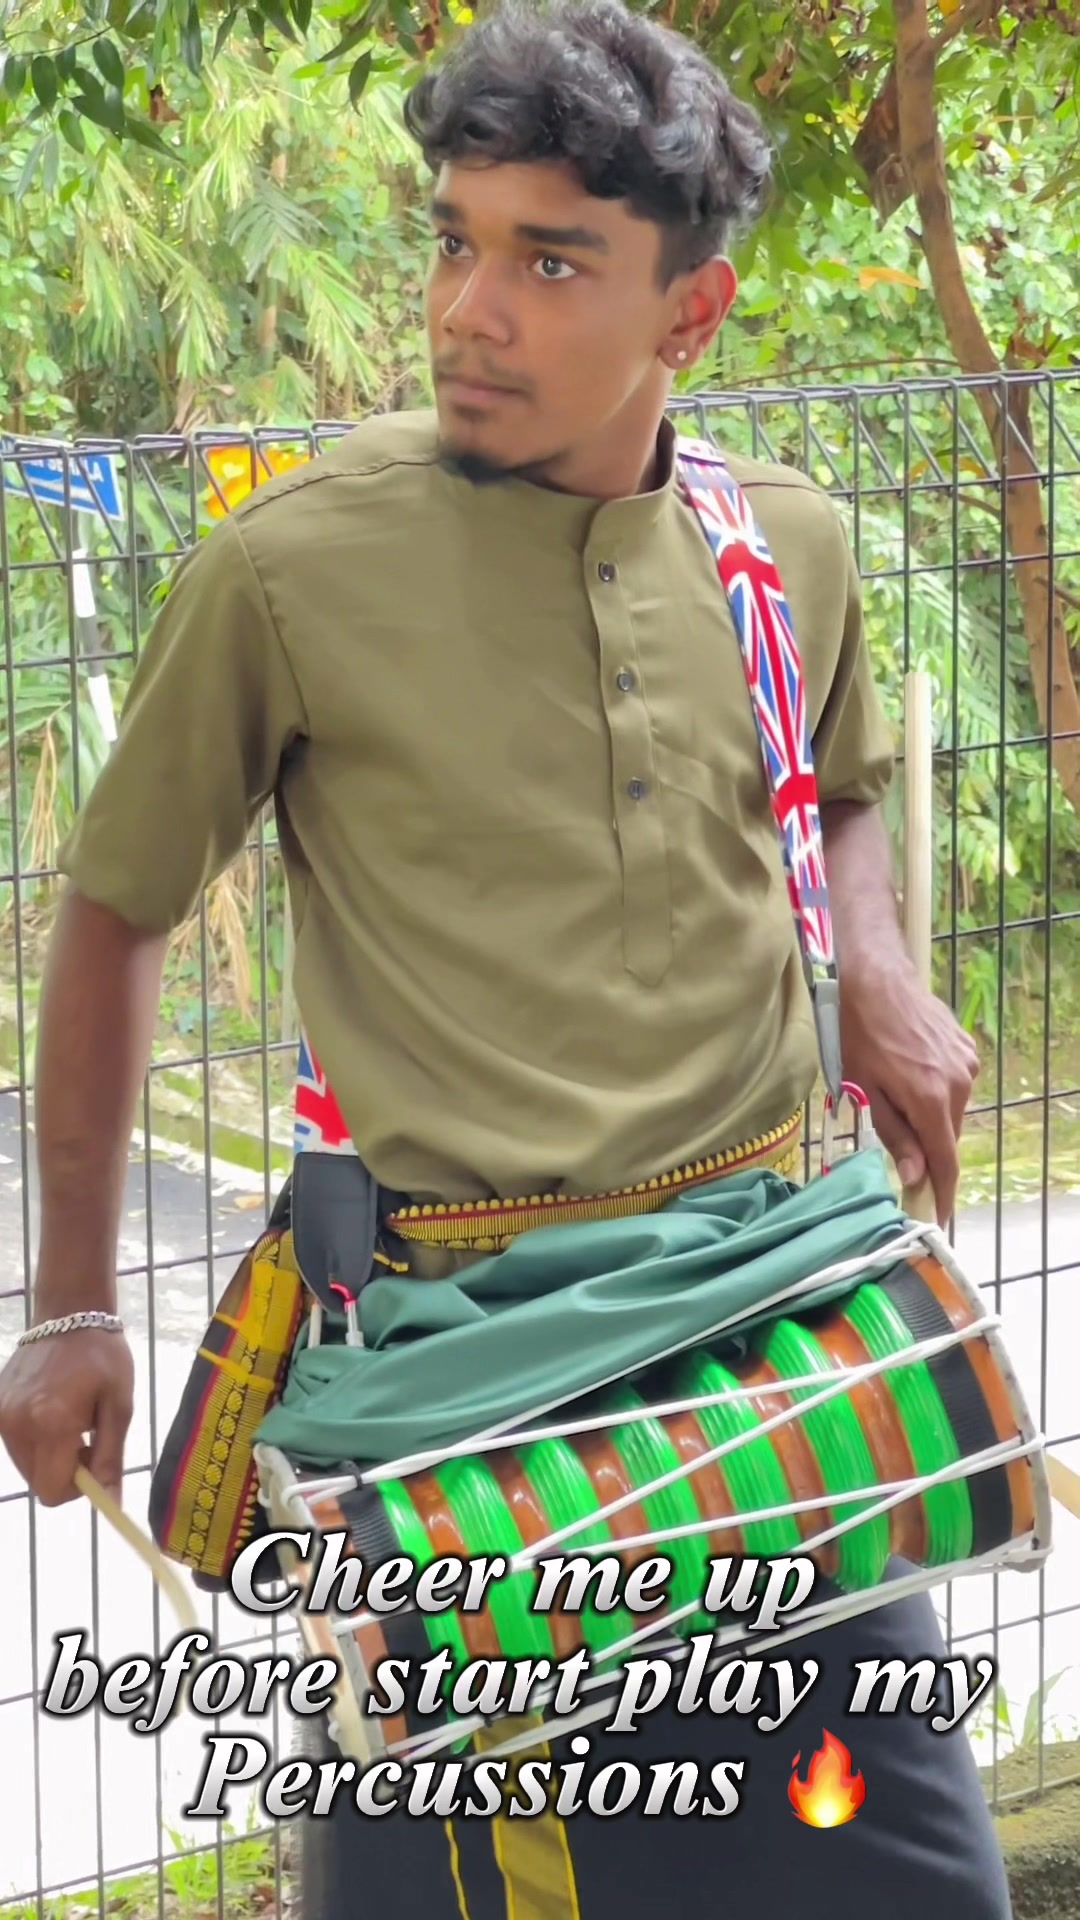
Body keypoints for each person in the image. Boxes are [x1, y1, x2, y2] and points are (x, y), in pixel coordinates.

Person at [0, 0, 1004, 1914]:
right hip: (460, 1406)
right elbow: (115, 910)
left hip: (784, 1363)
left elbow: (841, 790)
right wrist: (65, 1308)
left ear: (690, 314)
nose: (469, 309)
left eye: (551, 263)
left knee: (904, 1887)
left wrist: (877, 969)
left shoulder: (787, 545)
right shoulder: (287, 570)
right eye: (455, 241)